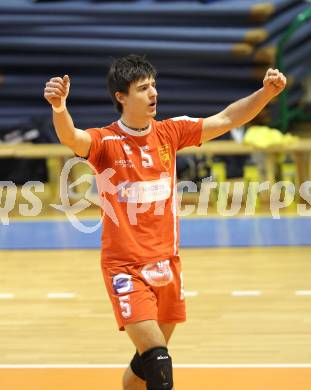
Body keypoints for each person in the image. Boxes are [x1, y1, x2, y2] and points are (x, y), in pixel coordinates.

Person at [44, 54, 286, 390]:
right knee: (158, 358)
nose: (153, 93)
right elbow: (71, 138)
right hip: (125, 268)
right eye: (143, 88)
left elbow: (227, 118)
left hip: (167, 264)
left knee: (145, 367)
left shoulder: (170, 133)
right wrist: (59, 107)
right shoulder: (105, 142)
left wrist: (266, 94)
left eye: (153, 85)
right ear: (122, 97)